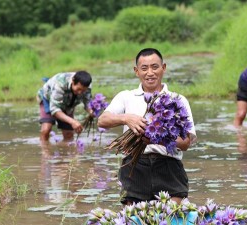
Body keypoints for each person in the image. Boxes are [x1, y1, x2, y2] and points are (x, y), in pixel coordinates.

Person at [97, 48, 197, 205]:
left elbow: (185, 143)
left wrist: (158, 139)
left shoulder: (177, 100)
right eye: (144, 68)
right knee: (133, 220)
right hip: (134, 166)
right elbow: (102, 120)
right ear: (136, 71)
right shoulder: (126, 96)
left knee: (172, 219)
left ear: (163, 68)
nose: (150, 73)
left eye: (155, 67)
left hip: (169, 166)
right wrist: (126, 118)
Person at [37, 71, 93, 142]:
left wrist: (91, 111)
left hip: (69, 103)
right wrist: (73, 122)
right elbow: (55, 110)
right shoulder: (60, 83)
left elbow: (87, 103)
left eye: (83, 90)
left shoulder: (88, 86)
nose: (80, 93)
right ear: (73, 81)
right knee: (46, 129)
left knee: (69, 134)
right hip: (48, 99)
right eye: (78, 89)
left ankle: (66, 151)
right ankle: (45, 150)